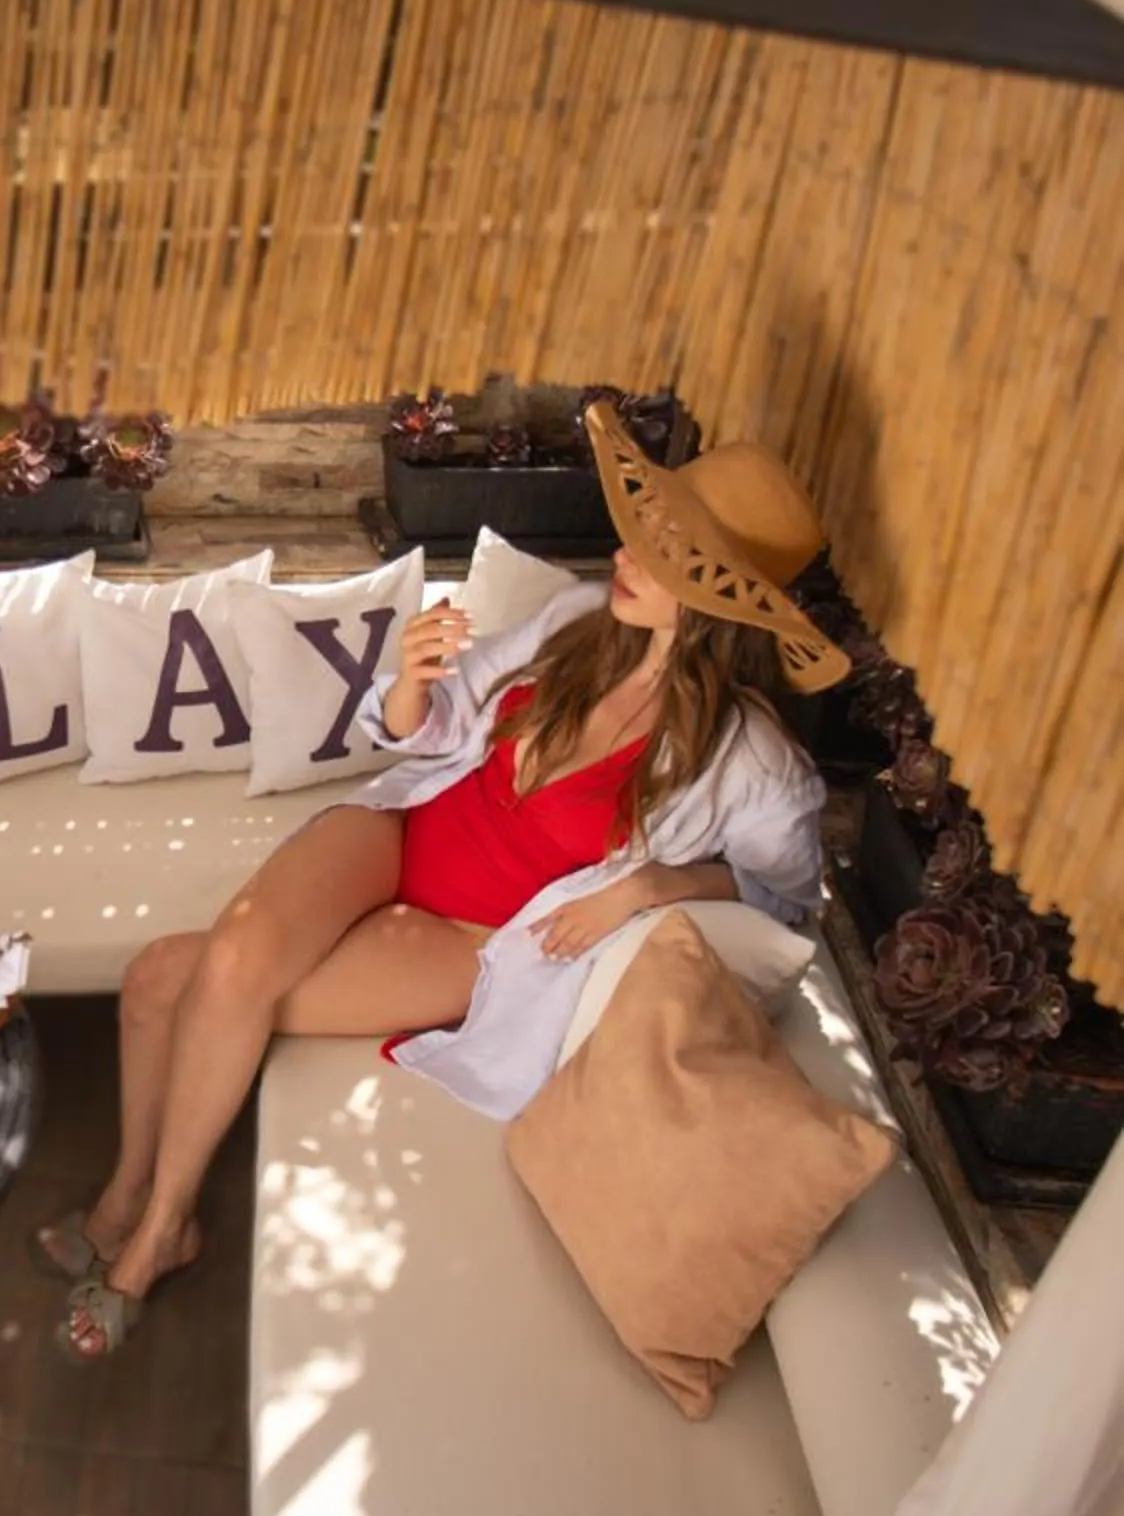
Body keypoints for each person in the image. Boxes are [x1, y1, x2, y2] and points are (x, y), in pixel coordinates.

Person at [41, 398, 852, 1361]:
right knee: (170, 974)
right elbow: (437, 725)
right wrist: (412, 684)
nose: (627, 553)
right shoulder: (581, 621)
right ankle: (127, 1199)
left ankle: (156, 1235)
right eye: (644, 531)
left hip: (470, 937)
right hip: (400, 830)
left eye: (665, 550)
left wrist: (652, 888)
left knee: (172, 980)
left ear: (720, 597)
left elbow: (786, 904)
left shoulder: (752, 764)